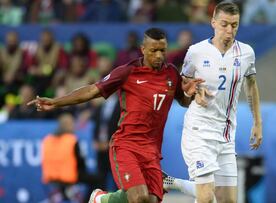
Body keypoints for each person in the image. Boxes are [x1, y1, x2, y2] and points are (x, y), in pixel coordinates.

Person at [28, 27, 204, 203]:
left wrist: (191, 93)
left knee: (149, 200)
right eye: (153, 51)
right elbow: (91, 91)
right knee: (139, 198)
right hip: (126, 145)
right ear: (143, 50)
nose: (158, 56)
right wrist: (56, 101)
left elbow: (184, 101)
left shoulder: (171, 73)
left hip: (152, 150)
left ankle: (103, 199)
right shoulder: (128, 72)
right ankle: (100, 198)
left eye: (162, 50)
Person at [180, 2, 263, 203]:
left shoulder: (246, 53)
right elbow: (182, 83)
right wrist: (193, 92)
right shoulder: (196, 52)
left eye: (234, 25)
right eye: (224, 24)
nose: (229, 30)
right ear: (213, 23)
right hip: (199, 131)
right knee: (207, 197)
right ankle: (172, 183)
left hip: (226, 135)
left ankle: (170, 182)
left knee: (228, 201)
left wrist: (257, 123)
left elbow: (251, 85)